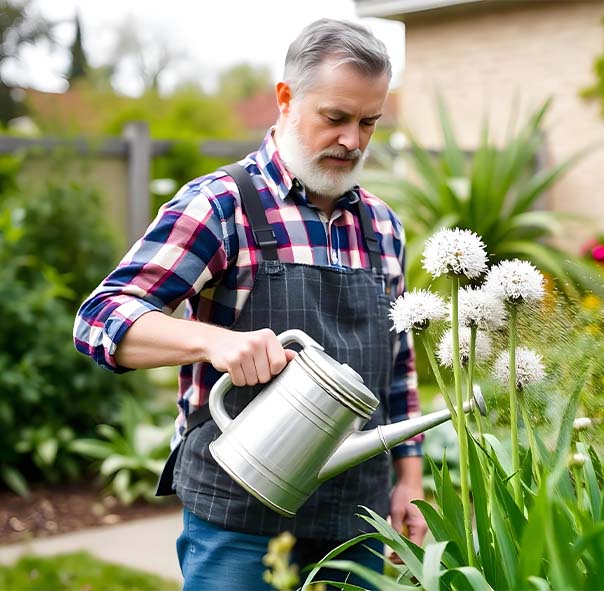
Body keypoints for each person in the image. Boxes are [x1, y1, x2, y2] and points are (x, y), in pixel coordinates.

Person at [73, 18, 427, 590]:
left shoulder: (382, 226)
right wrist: (215, 341)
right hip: (237, 516)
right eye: (335, 118)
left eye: (369, 122)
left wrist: (408, 478)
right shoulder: (222, 205)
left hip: (355, 519)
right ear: (286, 100)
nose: (353, 141)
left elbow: (398, 366)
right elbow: (101, 317)